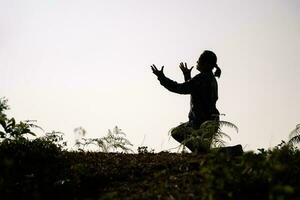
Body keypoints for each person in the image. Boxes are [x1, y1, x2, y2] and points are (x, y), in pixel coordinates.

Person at [151, 50, 221, 152]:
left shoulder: (202, 78)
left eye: (199, 61)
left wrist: (162, 78)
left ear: (205, 63)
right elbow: (194, 90)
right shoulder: (210, 79)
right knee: (205, 151)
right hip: (211, 120)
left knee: (176, 133)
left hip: (200, 122)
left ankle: (200, 152)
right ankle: (202, 152)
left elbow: (179, 88)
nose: (197, 62)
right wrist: (187, 76)